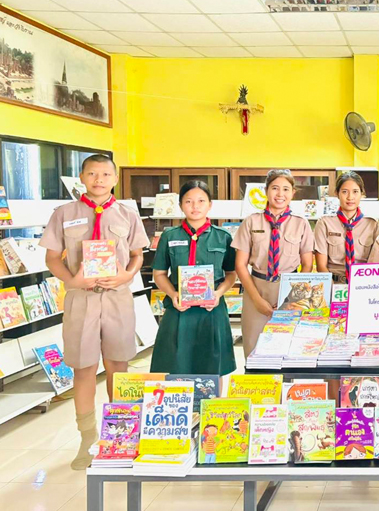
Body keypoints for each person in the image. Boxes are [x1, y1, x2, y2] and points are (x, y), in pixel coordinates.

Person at [40, 155, 149, 469]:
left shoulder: (128, 214)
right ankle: (87, 439)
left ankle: (120, 438)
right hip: (81, 299)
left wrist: (127, 275)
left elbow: (138, 255)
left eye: (105, 174)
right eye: (92, 173)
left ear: (114, 177)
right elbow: (52, 258)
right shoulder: (64, 214)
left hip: (117, 297)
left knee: (119, 365)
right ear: (82, 177)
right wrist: (72, 280)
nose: (99, 179)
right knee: (84, 367)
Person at [149, 180, 237, 377]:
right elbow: (159, 274)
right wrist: (172, 294)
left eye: (201, 201)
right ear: (180, 205)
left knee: (213, 366)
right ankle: (180, 407)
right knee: (175, 364)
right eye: (188, 201)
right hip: (178, 309)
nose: (195, 206)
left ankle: (211, 407)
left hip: (212, 309)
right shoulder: (169, 236)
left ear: (210, 204)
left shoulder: (223, 237)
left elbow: (231, 274)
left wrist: (218, 293)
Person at [232, 170, 314, 357]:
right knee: (254, 350)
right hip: (256, 289)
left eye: (286, 189)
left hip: (290, 291)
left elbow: (307, 265)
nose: (280, 194)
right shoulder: (251, 222)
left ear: (293, 193)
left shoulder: (301, 224)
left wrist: (291, 299)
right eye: (275, 188)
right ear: (266, 191)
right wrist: (257, 300)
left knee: (287, 351)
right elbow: (240, 265)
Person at [314, 171, 379, 283]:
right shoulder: (324, 223)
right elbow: (321, 266)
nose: (350, 197)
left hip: (363, 284)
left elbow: (375, 264)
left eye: (355, 192)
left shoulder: (372, 224)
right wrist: (331, 288)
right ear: (337, 193)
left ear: (362, 194)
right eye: (345, 192)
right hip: (333, 283)